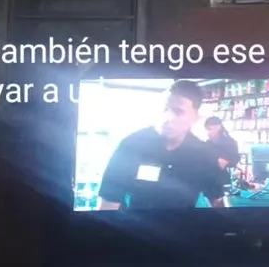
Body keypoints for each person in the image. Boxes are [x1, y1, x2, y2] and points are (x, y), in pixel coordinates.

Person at [97, 80, 226, 209]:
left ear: (195, 117)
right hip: (135, 221)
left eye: (179, 111)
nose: (168, 117)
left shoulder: (204, 155)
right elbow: (109, 202)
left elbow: (217, 203)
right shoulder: (131, 146)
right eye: (165, 109)